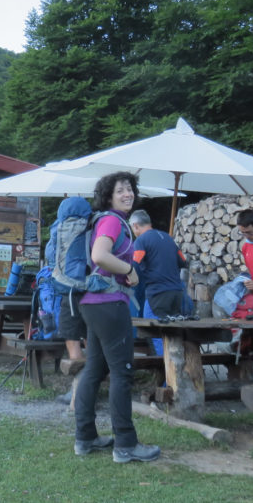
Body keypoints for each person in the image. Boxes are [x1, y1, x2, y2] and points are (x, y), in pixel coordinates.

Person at [73, 172, 160, 464]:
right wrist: (129, 270)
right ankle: (125, 444)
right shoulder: (111, 221)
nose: (128, 194)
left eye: (130, 190)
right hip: (109, 304)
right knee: (122, 372)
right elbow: (99, 256)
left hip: (93, 303)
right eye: (121, 190)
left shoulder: (104, 220)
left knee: (94, 370)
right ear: (108, 196)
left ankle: (85, 438)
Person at [130, 209, 188, 318]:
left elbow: (135, 264)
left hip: (157, 294)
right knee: (172, 332)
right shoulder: (168, 238)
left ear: (135, 225)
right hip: (177, 293)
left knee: (153, 330)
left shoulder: (141, 241)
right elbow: (183, 262)